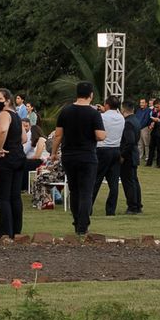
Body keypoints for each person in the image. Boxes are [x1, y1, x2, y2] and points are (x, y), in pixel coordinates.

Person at [52, 82, 106, 236]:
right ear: (91, 95)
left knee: (74, 190)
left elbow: (58, 135)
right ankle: (83, 226)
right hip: (87, 156)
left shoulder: (65, 111)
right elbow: (100, 135)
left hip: (69, 156)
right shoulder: (93, 113)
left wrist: (54, 153)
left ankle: (76, 222)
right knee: (86, 191)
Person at [0, 88, 27, 238]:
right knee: (15, 196)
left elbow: (3, 131)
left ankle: (5, 231)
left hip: (5, 158)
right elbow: (24, 138)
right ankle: (17, 230)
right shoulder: (17, 115)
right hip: (19, 157)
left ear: (7, 100)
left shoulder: (4, 114)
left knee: (4, 197)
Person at [97, 94, 137, 216]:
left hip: (102, 150)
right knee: (114, 183)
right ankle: (110, 210)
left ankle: (88, 207)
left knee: (96, 180)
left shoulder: (101, 117)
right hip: (116, 150)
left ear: (107, 105)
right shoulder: (121, 118)